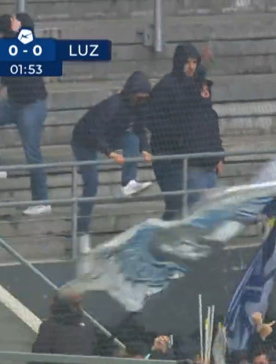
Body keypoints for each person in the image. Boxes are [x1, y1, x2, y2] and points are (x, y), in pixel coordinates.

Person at [70, 71, 153, 253]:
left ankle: (128, 182)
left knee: (132, 139)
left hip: (110, 135)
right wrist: (110, 153)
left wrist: (145, 148)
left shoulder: (139, 107)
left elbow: (139, 130)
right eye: (140, 97)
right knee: (91, 184)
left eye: (144, 98)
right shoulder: (113, 106)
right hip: (84, 139)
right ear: (132, 94)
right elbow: (93, 132)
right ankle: (82, 231)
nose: (142, 101)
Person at [0, 13, 50, 216]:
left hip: (32, 105)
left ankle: (42, 201)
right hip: (13, 102)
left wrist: (15, 30)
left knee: (32, 153)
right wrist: (2, 83)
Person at [147, 43, 216, 220]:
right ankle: (162, 233)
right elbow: (151, 119)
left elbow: (206, 120)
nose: (191, 67)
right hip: (168, 156)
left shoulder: (194, 86)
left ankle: (166, 233)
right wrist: (176, 135)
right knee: (178, 204)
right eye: (187, 62)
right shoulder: (166, 87)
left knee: (184, 206)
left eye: (194, 62)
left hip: (187, 156)